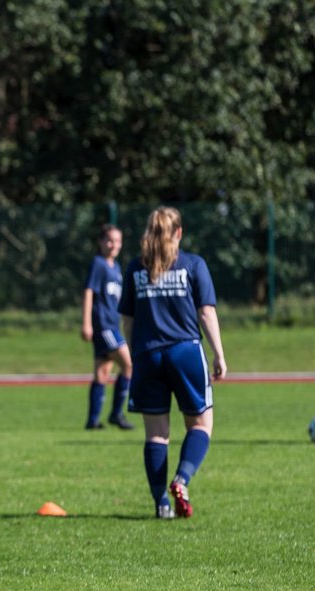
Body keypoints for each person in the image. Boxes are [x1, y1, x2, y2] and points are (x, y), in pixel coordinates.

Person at [119, 206, 226, 519]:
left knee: (156, 434)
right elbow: (205, 311)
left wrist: (135, 352)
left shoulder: (135, 268)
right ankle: (181, 479)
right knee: (201, 424)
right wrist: (219, 353)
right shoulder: (193, 264)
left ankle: (161, 504)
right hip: (185, 352)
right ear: (178, 233)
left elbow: (127, 319)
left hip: (147, 354)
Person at [80, 224, 133, 430]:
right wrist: (86, 323)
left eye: (118, 241)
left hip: (112, 325)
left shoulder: (116, 267)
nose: (114, 245)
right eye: (110, 240)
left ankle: (92, 421)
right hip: (103, 326)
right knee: (129, 365)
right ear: (101, 242)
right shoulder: (99, 264)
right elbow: (88, 292)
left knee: (102, 372)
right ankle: (116, 414)